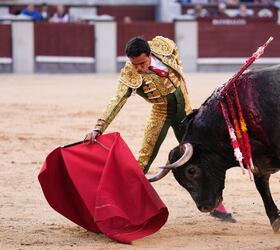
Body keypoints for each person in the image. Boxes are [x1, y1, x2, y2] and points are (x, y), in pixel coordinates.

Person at [84, 36, 236, 223]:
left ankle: (216, 205)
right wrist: (98, 128)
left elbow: (179, 72)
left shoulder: (165, 46)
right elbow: (116, 101)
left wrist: (188, 106)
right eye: (135, 64)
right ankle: (124, 208)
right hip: (161, 114)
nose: (138, 68)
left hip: (185, 114)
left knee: (200, 157)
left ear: (149, 54)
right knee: (143, 161)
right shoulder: (129, 74)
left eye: (142, 63)